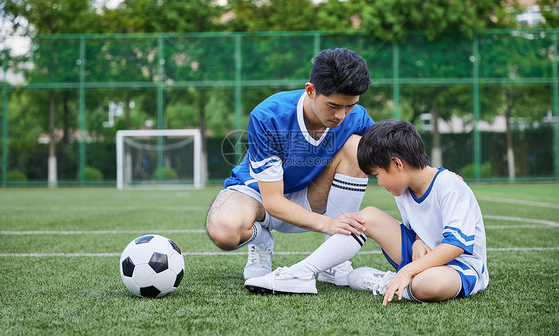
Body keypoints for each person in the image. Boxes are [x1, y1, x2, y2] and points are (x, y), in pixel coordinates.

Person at [244, 120, 489, 305]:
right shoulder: (404, 188)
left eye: (377, 174)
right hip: (423, 258)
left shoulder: (449, 185)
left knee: (429, 284)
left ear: (397, 164)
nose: (379, 182)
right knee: (366, 216)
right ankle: (301, 273)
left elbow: (456, 245)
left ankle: (388, 282)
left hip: (460, 266)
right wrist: (418, 239)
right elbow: (421, 226)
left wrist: (407, 270)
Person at [205, 48, 374, 286]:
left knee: (360, 147)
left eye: (350, 106)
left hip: (311, 195)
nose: (342, 115)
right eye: (333, 105)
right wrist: (329, 225)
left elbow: (394, 163)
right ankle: (261, 241)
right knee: (223, 231)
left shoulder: (358, 117)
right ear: (310, 90)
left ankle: (334, 260)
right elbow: (273, 202)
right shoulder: (268, 116)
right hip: (258, 196)